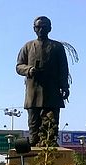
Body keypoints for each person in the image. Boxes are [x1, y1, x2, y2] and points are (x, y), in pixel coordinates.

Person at [16, 16, 70, 146]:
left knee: (51, 123)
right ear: (34, 29)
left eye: (44, 27)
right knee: (33, 122)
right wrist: (29, 70)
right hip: (33, 90)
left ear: (49, 29)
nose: (41, 30)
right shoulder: (28, 46)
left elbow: (63, 69)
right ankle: (34, 142)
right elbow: (19, 66)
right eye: (38, 27)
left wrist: (65, 86)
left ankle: (50, 143)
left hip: (52, 90)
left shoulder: (57, 47)